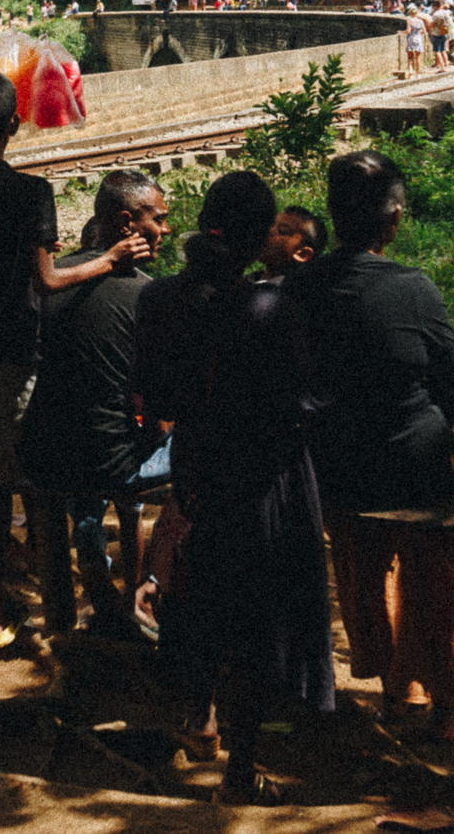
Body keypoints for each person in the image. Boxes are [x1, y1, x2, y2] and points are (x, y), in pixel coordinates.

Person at [0, 69, 142, 667]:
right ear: (16, 126)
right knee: (0, 479)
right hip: (14, 353)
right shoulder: (32, 194)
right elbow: (46, 281)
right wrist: (110, 259)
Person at [136, 170, 335, 804]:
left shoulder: (160, 301)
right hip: (262, 482)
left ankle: (198, 722)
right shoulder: (271, 308)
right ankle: (241, 773)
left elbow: (155, 399)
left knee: (196, 601)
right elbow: (303, 404)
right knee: (255, 622)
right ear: (259, 239)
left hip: (194, 472)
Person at [288, 152, 454, 741]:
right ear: (392, 221)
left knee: (366, 575)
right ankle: (442, 706)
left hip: (339, 473)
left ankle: (397, 691)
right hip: (418, 464)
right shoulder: (413, 288)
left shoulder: (298, 288)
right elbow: (449, 383)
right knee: (441, 580)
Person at [20, 170, 172, 634]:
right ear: (127, 222)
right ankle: (149, 588)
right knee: (207, 460)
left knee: (84, 485)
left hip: (42, 456)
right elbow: (164, 404)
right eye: (158, 220)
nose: (164, 230)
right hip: (110, 463)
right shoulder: (148, 295)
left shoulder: (51, 283)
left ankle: (85, 600)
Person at [263, 204, 326, 282]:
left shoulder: (290, 292)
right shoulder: (249, 281)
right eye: (270, 225)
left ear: (302, 254)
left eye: (282, 231)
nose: (269, 231)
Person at [401, 8, 426, 76]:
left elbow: (408, 31)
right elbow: (424, 32)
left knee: (410, 56)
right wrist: (418, 32)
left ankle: (410, 70)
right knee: (417, 57)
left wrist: (401, 32)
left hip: (411, 39)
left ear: (410, 13)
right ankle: (417, 74)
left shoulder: (409, 21)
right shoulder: (421, 21)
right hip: (418, 39)